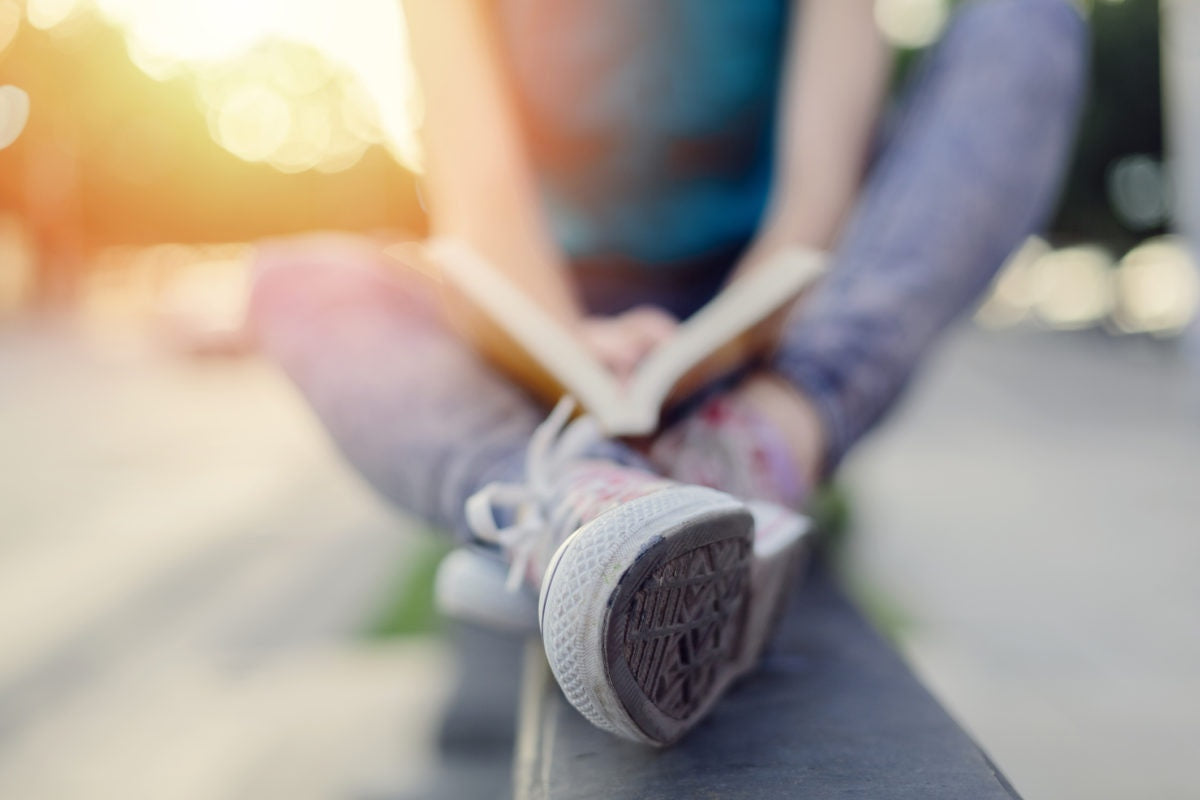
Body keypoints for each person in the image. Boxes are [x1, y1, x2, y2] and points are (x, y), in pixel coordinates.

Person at [248, 0, 1086, 746]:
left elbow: (816, 199)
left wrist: (723, 345)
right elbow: (483, 206)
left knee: (1026, 21)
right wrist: (574, 348)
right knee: (297, 283)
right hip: (553, 337)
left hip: (761, 336)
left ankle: (747, 445)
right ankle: (571, 495)